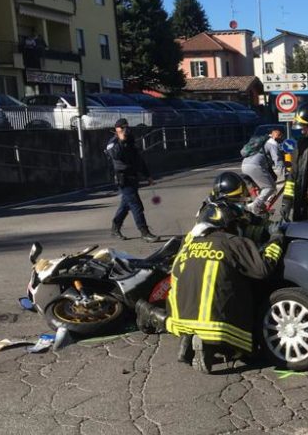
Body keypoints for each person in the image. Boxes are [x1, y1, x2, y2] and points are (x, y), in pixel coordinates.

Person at [163, 199, 284, 373]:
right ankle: (215, 348)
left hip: (180, 318)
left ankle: (191, 338)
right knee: (244, 349)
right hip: (219, 325)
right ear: (227, 225)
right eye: (237, 223)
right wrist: (276, 238)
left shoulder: (189, 244)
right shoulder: (234, 243)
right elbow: (263, 268)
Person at [107, 118, 158, 242]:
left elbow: (138, 159)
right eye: (122, 128)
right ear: (117, 129)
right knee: (136, 205)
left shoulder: (130, 141)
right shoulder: (113, 142)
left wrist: (147, 175)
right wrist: (121, 139)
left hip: (133, 177)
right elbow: (115, 155)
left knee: (125, 206)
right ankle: (144, 232)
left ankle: (115, 227)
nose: (126, 130)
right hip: (123, 179)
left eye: (127, 127)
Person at [240, 129, 282, 216]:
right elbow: (277, 159)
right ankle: (255, 206)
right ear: (274, 135)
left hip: (244, 165)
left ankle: (260, 207)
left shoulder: (262, 142)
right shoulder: (272, 143)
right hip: (254, 166)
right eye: (280, 136)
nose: (281, 138)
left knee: (261, 188)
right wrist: (283, 173)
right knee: (270, 187)